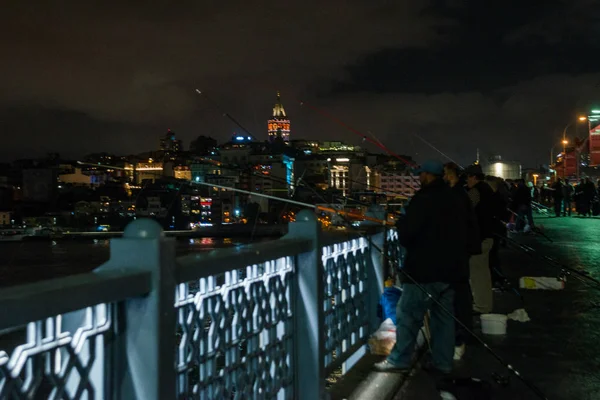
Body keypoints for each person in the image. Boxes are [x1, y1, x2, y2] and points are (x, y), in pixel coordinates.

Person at [375, 160, 468, 375]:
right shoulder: (454, 197)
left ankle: (399, 360)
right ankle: (442, 363)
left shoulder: (422, 199)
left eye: (421, 175)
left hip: (425, 270)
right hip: (451, 269)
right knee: (443, 319)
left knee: (408, 314)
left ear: (427, 175)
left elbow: (408, 235)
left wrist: (402, 224)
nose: (419, 178)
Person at [443, 162, 479, 361]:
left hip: (457, 252)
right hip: (462, 251)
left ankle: (460, 336)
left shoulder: (455, 196)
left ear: (452, 176)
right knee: (462, 291)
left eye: (446, 175)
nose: (444, 179)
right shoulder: (461, 195)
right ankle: (464, 331)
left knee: (457, 294)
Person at [465, 164, 495, 314]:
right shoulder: (487, 189)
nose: (466, 181)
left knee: (478, 274)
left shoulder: (476, 191)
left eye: (468, 177)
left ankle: (482, 306)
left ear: (473, 177)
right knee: (482, 273)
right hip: (487, 235)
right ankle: (482, 304)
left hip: (480, 237)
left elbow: (464, 209)